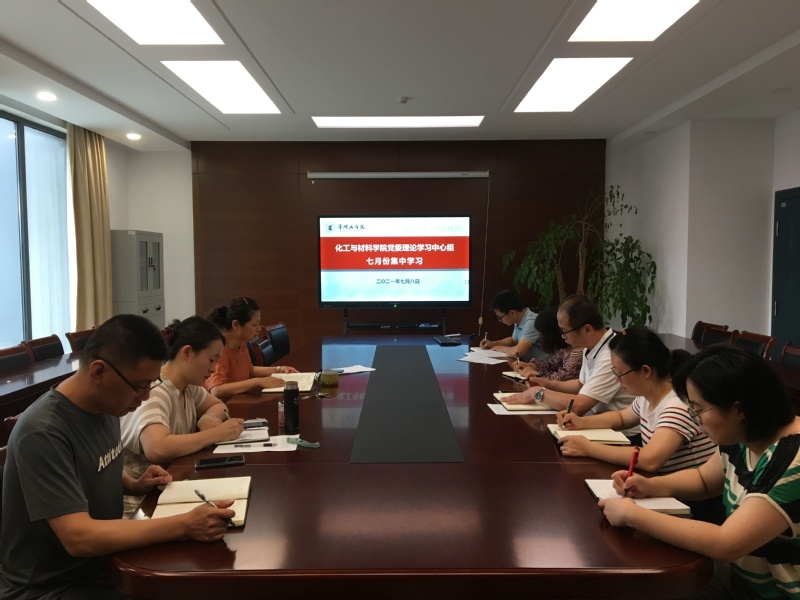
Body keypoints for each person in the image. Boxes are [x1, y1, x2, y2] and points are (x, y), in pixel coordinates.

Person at [0, 314, 235, 600]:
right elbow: (78, 538)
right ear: (99, 372)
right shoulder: (43, 431)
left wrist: (133, 484)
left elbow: (91, 465)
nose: (145, 397)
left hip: (106, 563)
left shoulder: (107, 405)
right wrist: (185, 524)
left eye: (151, 385)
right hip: (52, 585)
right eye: (140, 386)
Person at [600, 346, 800, 599]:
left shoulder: (791, 461)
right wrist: (651, 486)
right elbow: (704, 480)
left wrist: (632, 515)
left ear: (738, 410)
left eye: (698, 409)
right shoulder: (743, 434)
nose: (696, 419)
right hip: (744, 578)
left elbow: (726, 543)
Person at [557, 326, 722, 523]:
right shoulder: (647, 396)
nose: (617, 380)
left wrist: (589, 448)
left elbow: (651, 459)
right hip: (666, 489)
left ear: (645, 371)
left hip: (694, 503)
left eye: (620, 374)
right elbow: (622, 418)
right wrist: (582, 422)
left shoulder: (676, 405)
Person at [120, 316, 246, 516]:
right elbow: (157, 448)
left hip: (170, 488)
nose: (213, 369)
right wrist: (215, 434)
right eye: (211, 360)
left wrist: (208, 419)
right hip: (142, 504)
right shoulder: (156, 391)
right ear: (187, 353)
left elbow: (217, 405)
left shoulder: (188, 386)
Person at [504, 294, 638, 438]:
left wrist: (538, 393)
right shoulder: (590, 346)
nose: (562, 337)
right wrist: (548, 383)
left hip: (619, 436)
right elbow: (581, 384)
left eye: (564, 331)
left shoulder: (611, 355)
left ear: (587, 329)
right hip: (595, 425)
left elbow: (579, 406)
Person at [204, 297, 298, 400]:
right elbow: (217, 390)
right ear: (236, 325)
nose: (259, 329)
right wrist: (257, 381)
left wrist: (279, 369)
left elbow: (249, 369)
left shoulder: (241, 342)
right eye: (254, 325)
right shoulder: (221, 349)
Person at [513, 306, 583, 381]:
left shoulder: (577, 351)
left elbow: (562, 378)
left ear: (551, 334)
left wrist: (535, 374)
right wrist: (532, 366)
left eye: (542, 334)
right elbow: (551, 365)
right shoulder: (564, 350)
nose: (540, 338)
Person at [479, 290, 548, 361]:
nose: (500, 320)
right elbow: (514, 340)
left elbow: (518, 352)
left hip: (543, 365)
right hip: (530, 363)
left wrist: (501, 348)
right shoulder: (519, 319)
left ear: (512, 313)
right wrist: (493, 344)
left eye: (500, 317)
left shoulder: (532, 322)